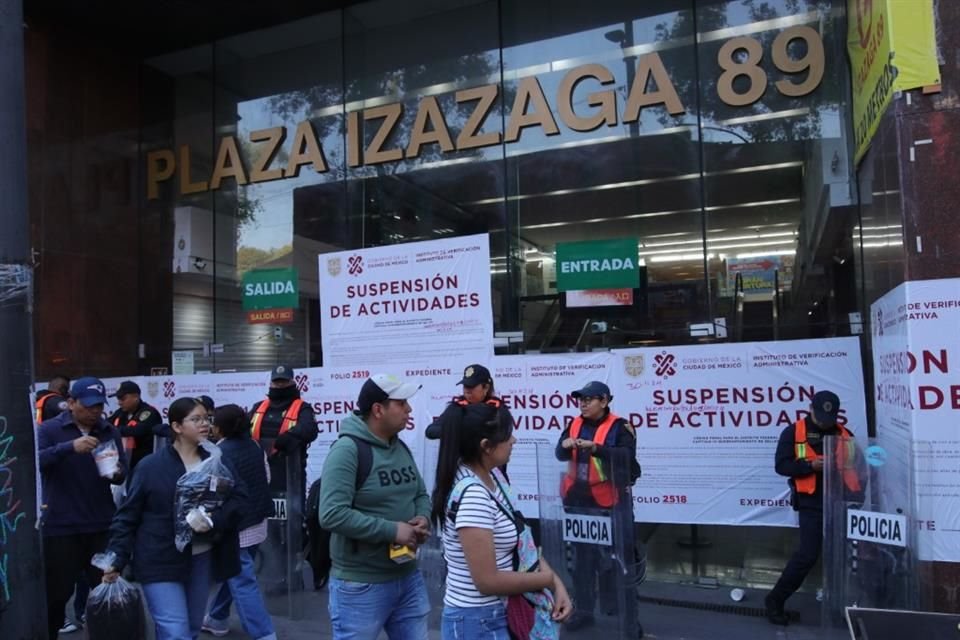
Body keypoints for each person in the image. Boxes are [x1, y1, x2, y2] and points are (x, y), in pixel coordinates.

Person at [102, 397, 247, 640]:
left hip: (201, 558)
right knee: (175, 632)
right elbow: (128, 515)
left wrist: (214, 520)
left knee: (190, 630)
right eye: (196, 419)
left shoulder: (217, 461)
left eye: (207, 419)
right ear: (177, 427)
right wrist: (115, 558)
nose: (204, 424)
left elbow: (240, 498)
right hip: (158, 558)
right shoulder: (150, 467)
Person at [432, 401, 572, 640]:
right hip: (477, 621)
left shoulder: (493, 477)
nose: (514, 440)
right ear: (486, 446)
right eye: (508, 435)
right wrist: (546, 579)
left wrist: (557, 583)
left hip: (498, 614)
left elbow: (522, 540)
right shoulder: (474, 495)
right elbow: (487, 581)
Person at [318, 373, 431, 640]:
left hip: (407, 575)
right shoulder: (347, 450)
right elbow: (332, 514)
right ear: (378, 410)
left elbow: (420, 493)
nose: (409, 409)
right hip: (360, 584)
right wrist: (393, 531)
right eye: (401, 403)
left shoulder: (399, 446)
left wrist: (422, 517)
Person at [37, 377, 127, 640]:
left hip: (101, 524)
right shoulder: (50, 429)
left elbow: (122, 474)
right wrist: (69, 448)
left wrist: (116, 471)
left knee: (105, 595)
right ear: (71, 402)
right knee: (56, 595)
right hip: (61, 526)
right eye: (89, 406)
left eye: (99, 405)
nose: (95, 411)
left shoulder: (108, 430)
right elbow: (36, 461)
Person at [765, 390, 865, 626]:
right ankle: (775, 601)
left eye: (830, 418)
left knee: (841, 558)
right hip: (812, 503)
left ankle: (839, 605)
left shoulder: (844, 433)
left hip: (841, 503)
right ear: (811, 409)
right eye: (821, 417)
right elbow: (782, 465)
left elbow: (859, 467)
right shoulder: (794, 432)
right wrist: (810, 465)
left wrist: (857, 497)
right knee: (807, 556)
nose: (825, 422)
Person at [555, 381, 642, 636]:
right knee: (581, 562)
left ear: (604, 401)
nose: (582, 403)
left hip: (611, 503)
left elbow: (626, 457)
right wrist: (564, 446)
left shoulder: (620, 427)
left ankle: (628, 620)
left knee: (621, 562)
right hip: (579, 502)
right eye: (580, 399)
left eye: (588, 399)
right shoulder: (573, 423)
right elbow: (559, 455)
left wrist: (596, 449)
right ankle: (584, 611)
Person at [202, 405, 276, 640]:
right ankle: (217, 617)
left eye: (213, 423)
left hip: (236, 526)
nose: (210, 426)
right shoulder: (255, 446)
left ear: (221, 427)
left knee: (242, 581)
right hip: (258, 522)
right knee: (235, 573)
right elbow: (267, 477)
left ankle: (264, 633)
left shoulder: (218, 453)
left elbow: (214, 493)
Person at [249, 364, 318, 493]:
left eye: (284, 381)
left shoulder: (303, 408)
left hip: (290, 473)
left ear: (292, 382)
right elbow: (243, 429)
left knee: (293, 512)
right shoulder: (258, 407)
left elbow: (310, 429)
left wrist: (291, 436)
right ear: (271, 383)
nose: (280, 385)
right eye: (277, 381)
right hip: (258, 472)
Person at [425, 364, 501, 441]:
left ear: (486, 387)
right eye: (465, 385)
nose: (467, 390)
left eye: (471, 386)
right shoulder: (457, 407)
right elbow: (430, 431)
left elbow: (501, 433)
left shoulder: (496, 408)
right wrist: (457, 429)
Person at [108, 380, 162, 474]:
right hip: (123, 464)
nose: (119, 402)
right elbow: (106, 424)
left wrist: (115, 430)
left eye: (123, 398)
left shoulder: (148, 412)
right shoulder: (121, 412)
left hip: (144, 465)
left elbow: (137, 431)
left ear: (136, 397)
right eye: (118, 399)